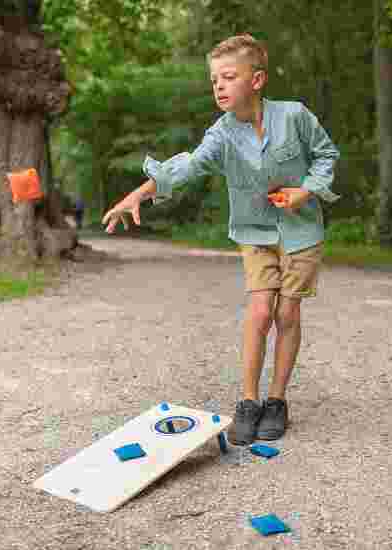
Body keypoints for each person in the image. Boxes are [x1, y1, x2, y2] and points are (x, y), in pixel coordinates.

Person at [101, 34, 340, 446]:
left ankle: (277, 401)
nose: (220, 86)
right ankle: (248, 401)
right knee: (261, 310)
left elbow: (326, 155)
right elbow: (189, 166)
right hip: (254, 232)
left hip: (301, 229)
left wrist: (307, 190)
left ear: (258, 79)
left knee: (287, 316)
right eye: (214, 80)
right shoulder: (222, 134)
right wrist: (140, 193)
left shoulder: (295, 116)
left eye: (229, 77)